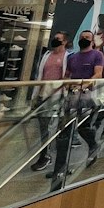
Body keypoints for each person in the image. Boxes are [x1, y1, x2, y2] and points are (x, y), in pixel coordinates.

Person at [51, 31, 103, 188]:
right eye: (82, 37)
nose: (84, 40)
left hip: (87, 97)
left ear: (92, 40)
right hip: (71, 97)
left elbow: (98, 73)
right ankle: (60, 168)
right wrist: (67, 83)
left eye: (87, 38)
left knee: (83, 127)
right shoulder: (72, 57)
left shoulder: (97, 55)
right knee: (64, 131)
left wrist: (84, 84)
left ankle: (93, 145)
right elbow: (67, 74)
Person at [31, 32, 69, 171]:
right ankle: (45, 153)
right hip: (43, 95)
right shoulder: (47, 55)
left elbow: (67, 77)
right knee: (43, 127)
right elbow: (40, 75)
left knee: (52, 127)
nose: (55, 41)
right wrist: (36, 95)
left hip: (57, 96)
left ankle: (46, 156)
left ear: (64, 42)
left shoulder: (67, 57)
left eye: (58, 39)